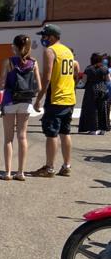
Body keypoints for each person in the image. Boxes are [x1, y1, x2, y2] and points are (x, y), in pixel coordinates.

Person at [29, 23, 78, 179]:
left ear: (51, 36)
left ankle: (49, 168)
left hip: (56, 98)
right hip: (69, 97)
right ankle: (66, 165)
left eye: (44, 36)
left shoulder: (50, 51)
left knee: (51, 134)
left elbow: (47, 77)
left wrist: (38, 99)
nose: (43, 39)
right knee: (65, 132)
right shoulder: (67, 51)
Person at [0, 34, 41, 181]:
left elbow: (2, 84)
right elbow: (39, 87)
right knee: (22, 136)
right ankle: (20, 172)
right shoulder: (34, 63)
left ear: (15, 46)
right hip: (26, 101)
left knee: (8, 138)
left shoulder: (8, 62)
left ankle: (7, 172)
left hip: (10, 101)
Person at [78, 52, 110, 135]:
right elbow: (108, 80)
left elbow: (84, 81)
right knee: (103, 109)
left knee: (92, 109)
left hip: (91, 89)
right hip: (102, 89)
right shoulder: (104, 68)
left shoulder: (88, 69)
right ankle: (103, 129)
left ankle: (93, 129)